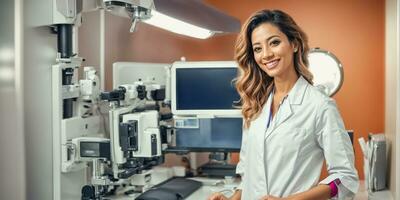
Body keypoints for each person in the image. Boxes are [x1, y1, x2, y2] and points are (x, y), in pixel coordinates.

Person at [208, 9, 358, 200]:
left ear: (294, 44)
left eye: (274, 43)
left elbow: (345, 177)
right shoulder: (255, 104)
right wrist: (232, 199)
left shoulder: (320, 106)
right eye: (258, 48)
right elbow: (249, 174)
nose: (266, 55)